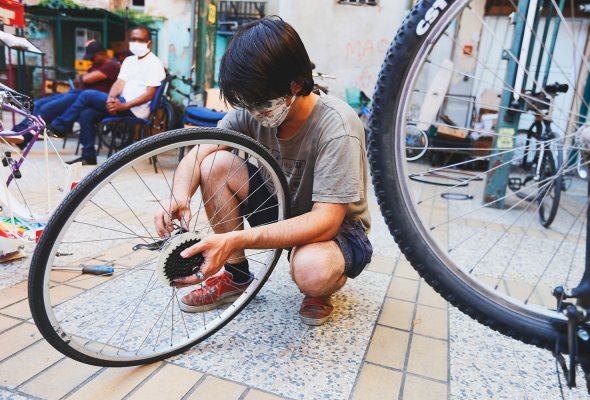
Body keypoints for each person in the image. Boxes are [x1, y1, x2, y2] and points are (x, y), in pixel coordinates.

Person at [154, 16, 372, 326]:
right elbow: (200, 152)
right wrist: (178, 195)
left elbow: (326, 220)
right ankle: (236, 277)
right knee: (215, 164)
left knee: (312, 270)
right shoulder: (252, 111)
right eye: (247, 103)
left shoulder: (337, 126)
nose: (255, 113)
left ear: (296, 83)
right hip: (281, 205)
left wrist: (234, 240)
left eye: (261, 103)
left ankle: (321, 287)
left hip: (336, 228)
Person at [50, 26, 165, 165]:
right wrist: (111, 99)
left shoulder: (154, 63)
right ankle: (89, 156)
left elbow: (149, 94)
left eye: (140, 40)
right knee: (86, 114)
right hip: (120, 102)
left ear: (149, 43)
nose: (136, 43)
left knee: (87, 95)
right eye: (133, 39)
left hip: (135, 109)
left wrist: (124, 105)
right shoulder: (129, 61)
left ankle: (60, 126)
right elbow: (119, 83)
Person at [12, 40, 119, 149]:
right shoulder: (96, 66)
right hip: (75, 93)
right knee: (37, 104)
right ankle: (15, 132)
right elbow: (78, 80)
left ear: (101, 54)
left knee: (46, 110)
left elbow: (86, 78)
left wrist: (82, 77)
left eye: (92, 57)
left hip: (82, 97)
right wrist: (82, 77)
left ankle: (22, 138)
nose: (90, 60)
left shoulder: (111, 65)